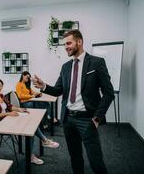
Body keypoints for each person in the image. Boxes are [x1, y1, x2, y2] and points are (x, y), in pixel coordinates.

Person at [33, 30, 114, 174]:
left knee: (96, 162)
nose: (66, 47)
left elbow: (108, 93)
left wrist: (96, 118)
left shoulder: (97, 63)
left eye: (69, 43)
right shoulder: (65, 67)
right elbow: (58, 90)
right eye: (64, 44)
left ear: (79, 42)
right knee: (75, 158)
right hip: (68, 119)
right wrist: (44, 86)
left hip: (87, 120)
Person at [0, 78, 59, 165]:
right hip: (0, 124)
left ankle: (43, 142)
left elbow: (10, 106)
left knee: (32, 125)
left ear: (2, 87)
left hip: (8, 119)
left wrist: (19, 109)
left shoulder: (2, 96)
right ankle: (37, 149)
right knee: (30, 129)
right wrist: (9, 114)